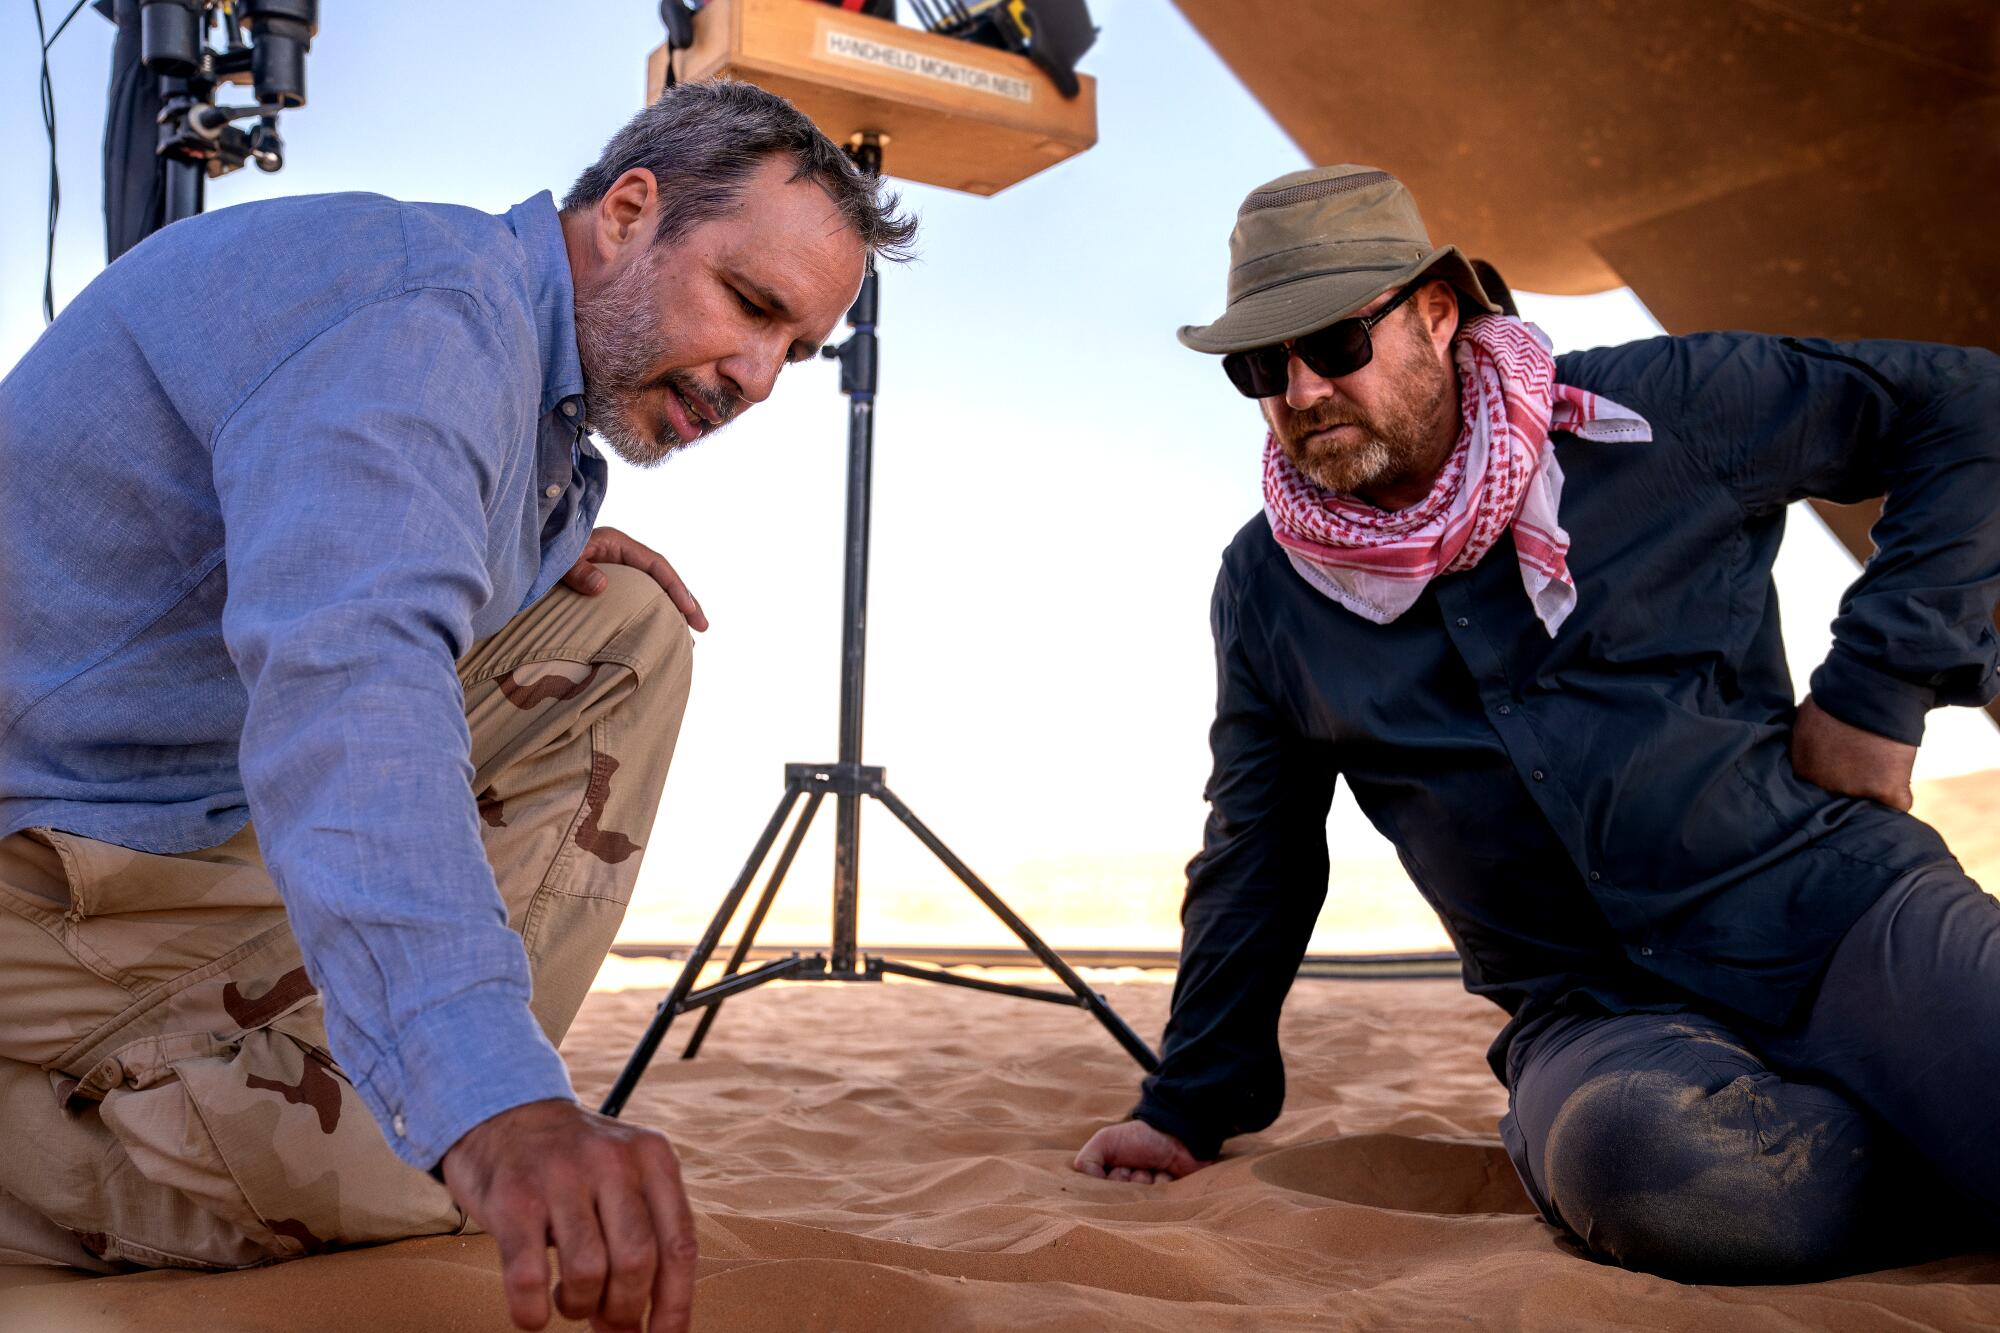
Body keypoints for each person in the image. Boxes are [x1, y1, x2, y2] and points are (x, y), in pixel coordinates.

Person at [0, 79, 915, 1332]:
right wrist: (490, 1106)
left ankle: (396, 1099)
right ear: (627, 211)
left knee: (622, 633)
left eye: (796, 352)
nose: (757, 377)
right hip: (45, 858)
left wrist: (542, 554)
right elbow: (349, 676)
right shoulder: (425, 319)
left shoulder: (517, 389)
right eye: (747, 305)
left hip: (169, 825)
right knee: (442, 1174)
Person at [1072, 164, 2000, 1282]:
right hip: (1593, 1016)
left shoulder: (1658, 413)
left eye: (1330, 344)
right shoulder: (1268, 586)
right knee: (1655, 1172)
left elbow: (1967, 408)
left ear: (1434, 314)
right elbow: (1256, 855)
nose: (1301, 389)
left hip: (1836, 911)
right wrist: (1185, 1106)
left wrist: (1876, 687)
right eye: (1257, 367)